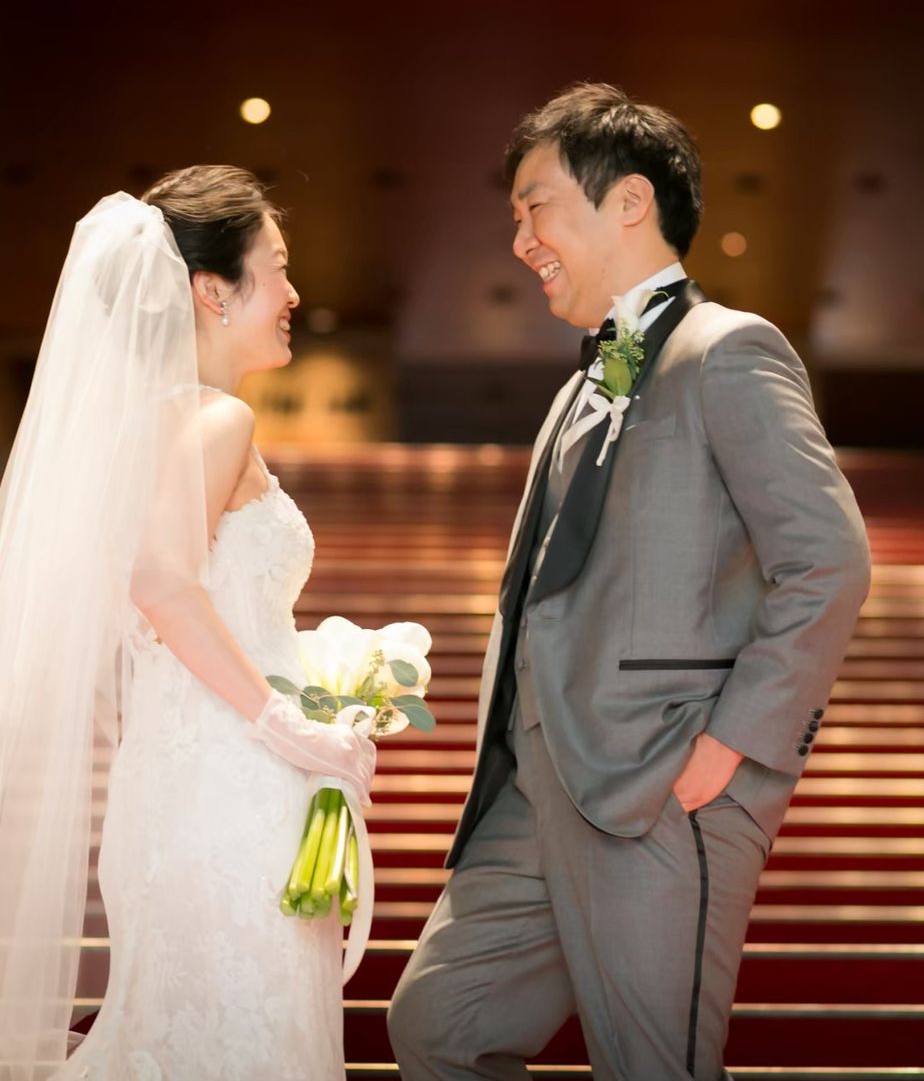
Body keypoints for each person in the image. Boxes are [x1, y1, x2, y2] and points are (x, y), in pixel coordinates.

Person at [388, 84, 872, 1080]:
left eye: (535, 206)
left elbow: (827, 559)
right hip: (535, 781)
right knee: (438, 1024)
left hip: (659, 778)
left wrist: (730, 745)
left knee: (651, 1066)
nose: (519, 239)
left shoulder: (728, 350)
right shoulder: (592, 375)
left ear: (630, 201)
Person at [0, 166, 376, 1081]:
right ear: (213, 290)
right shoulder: (217, 421)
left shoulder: (151, 426)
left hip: (180, 777)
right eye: (276, 268)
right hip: (232, 787)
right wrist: (286, 723)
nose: (294, 293)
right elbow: (162, 585)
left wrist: (314, 678)